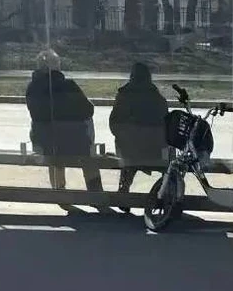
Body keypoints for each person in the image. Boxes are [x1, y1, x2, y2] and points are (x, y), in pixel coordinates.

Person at [25, 50, 103, 192]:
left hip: (44, 142)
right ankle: (95, 192)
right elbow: (88, 110)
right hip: (75, 142)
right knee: (88, 159)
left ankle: (59, 191)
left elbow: (35, 113)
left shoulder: (32, 88)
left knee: (54, 155)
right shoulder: (69, 85)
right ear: (56, 66)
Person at [110, 63, 169, 212]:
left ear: (132, 76)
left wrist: (124, 136)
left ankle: (124, 189)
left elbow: (114, 124)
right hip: (154, 150)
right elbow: (166, 124)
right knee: (166, 162)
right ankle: (164, 193)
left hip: (129, 151)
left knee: (128, 158)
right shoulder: (157, 97)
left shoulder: (124, 95)